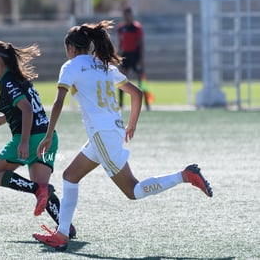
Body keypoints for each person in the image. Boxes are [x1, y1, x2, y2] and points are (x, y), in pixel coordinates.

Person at [32, 21, 212, 251]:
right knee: (70, 176)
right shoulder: (104, 65)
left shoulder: (71, 66)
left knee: (133, 191)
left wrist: (48, 136)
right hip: (108, 133)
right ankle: (62, 234)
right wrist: (131, 125)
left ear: (70, 48)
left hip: (102, 134)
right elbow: (136, 94)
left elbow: (58, 102)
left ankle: (184, 176)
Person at [0, 40, 76, 238]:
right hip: (47, 137)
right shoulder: (20, 79)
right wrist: (5, 118)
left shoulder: (8, 81)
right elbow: (25, 108)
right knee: (44, 188)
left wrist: (24, 141)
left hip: (31, 138)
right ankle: (65, 226)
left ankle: (37, 189)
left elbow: (26, 109)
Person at [116, 6, 150, 111]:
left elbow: (141, 43)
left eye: (129, 14)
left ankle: (147, 103)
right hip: (125, 56)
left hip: (135, 55)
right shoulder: (121, 28)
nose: (127, 17)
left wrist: (141, 58)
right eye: (125, 15)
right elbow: (120, 44)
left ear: (131, 15)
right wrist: (118, 57)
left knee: (141, 80)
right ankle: (121, 104)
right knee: (121, 79)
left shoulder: (137, 27)